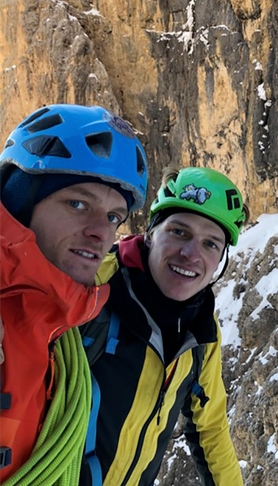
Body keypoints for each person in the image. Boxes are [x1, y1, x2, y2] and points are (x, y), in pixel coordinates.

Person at [0, 104, 148, 484]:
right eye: (78, 204)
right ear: (20, 202)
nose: (101, 232)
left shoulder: (55, 329)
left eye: (114, 216)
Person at [79, 166, 249, 486]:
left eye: (210, 244)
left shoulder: (201, 332)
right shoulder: (94, 285)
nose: (190, 254)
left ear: (221, 259)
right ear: (150, 232)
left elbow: (209, 428)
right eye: (179, 232)